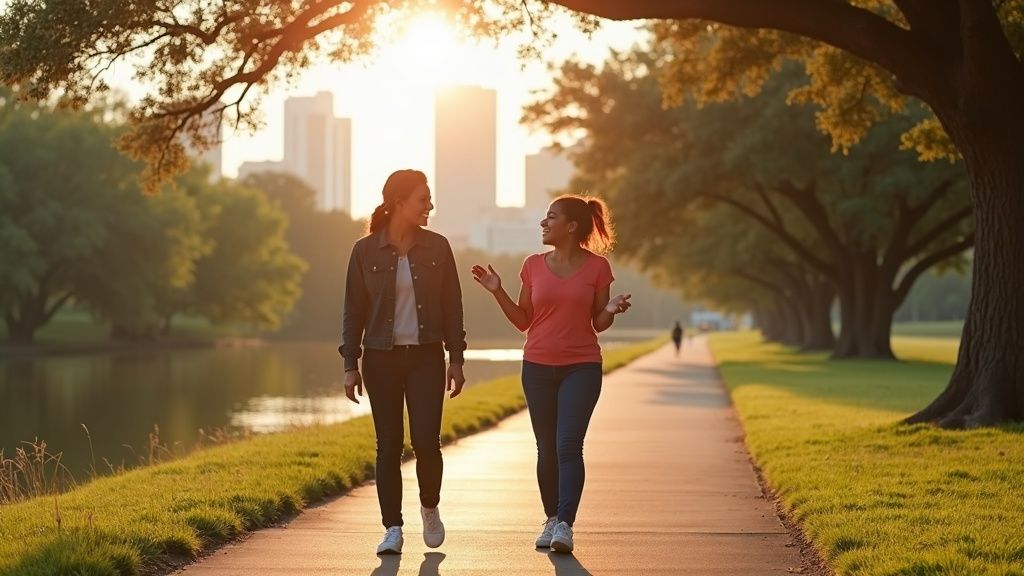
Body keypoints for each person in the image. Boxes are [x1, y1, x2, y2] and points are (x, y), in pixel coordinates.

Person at [471, 194, 632, 554]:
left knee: (568, 445)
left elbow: (598, 323)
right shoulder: (532, 265)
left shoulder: (597, 268)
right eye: (544, 218)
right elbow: (523, 321)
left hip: (582, 366)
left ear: (572, 226)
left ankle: (565, 525)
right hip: (538, 367)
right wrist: (497, 293)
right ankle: (550, 519)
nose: (543, 223)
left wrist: (609, 308)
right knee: (546, 447)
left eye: (551, 217)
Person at [339, 169, 467, 555]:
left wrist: (456, 358)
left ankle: (429, 506)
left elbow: (452, 307)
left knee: (427, 442)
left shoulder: (438, 247)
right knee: (388, 445)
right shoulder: (364, 251)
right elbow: (353, 311)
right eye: (422, 198)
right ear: (398, 202)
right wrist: (350, 362)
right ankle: (392, 528)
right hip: (381, 359)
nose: (429, 205)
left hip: (427, 357)